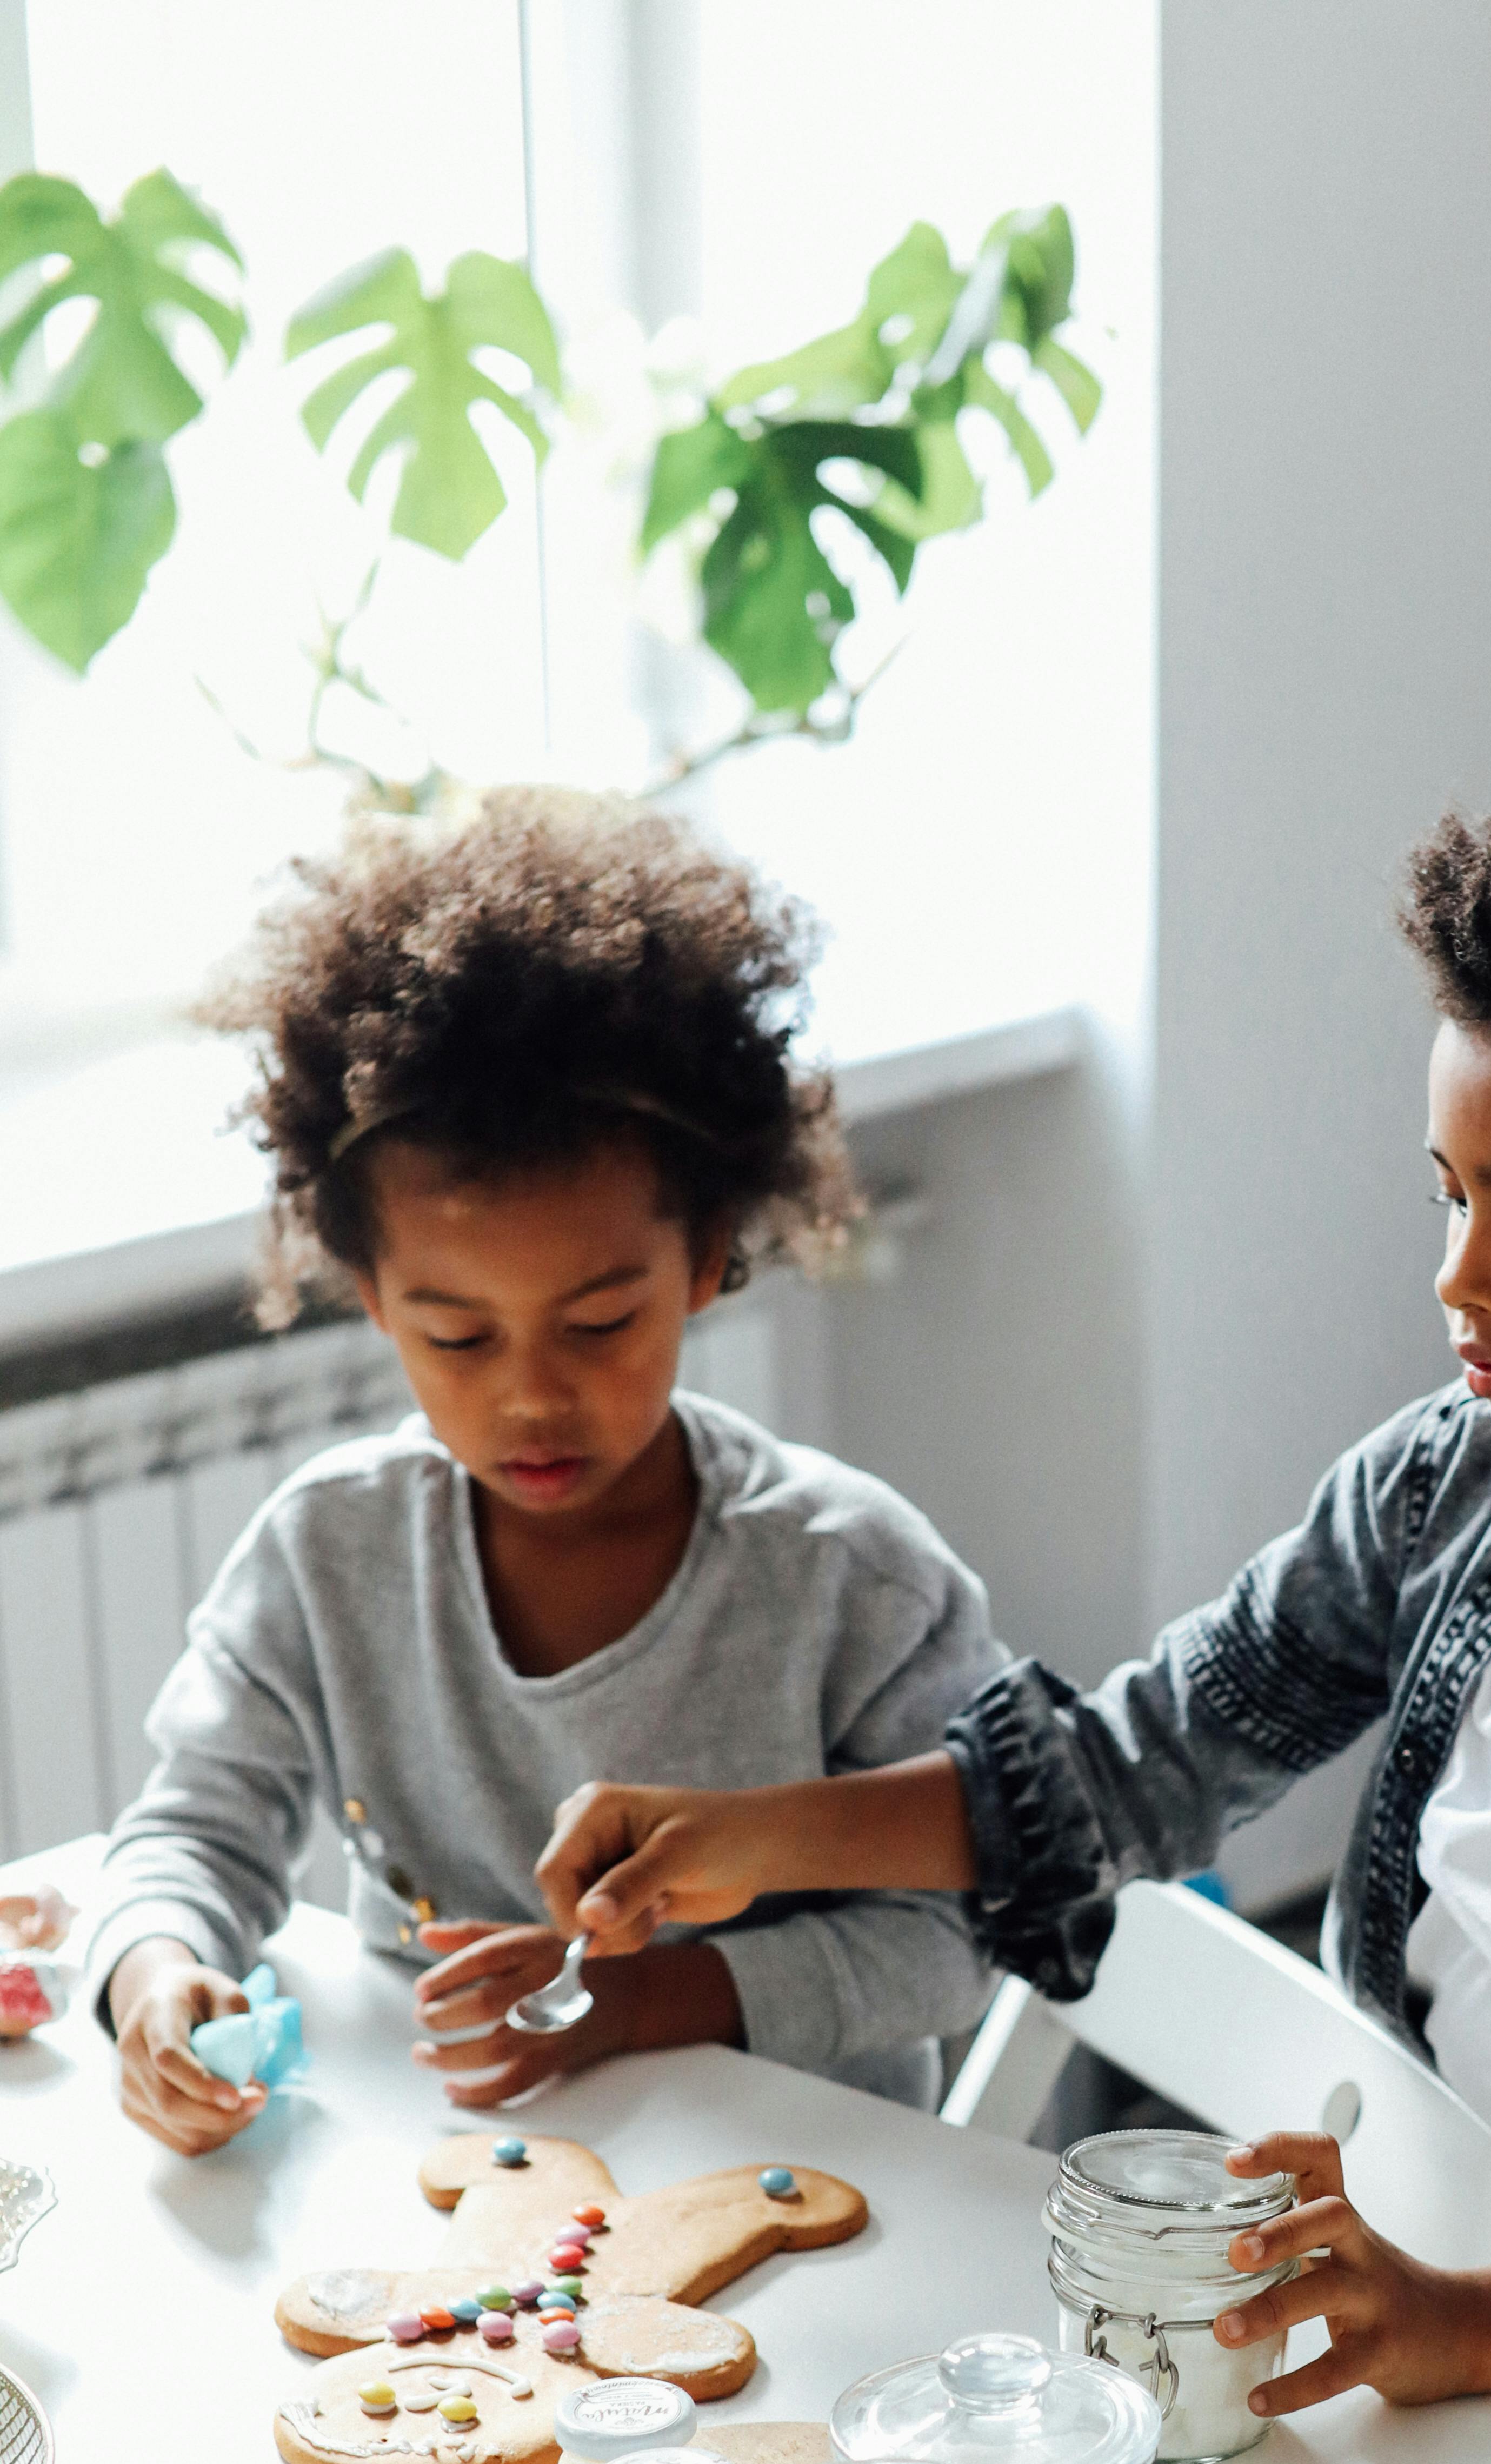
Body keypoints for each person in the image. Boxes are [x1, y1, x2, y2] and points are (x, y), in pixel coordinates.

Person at [533, 731, 1491, 2413]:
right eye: (1450, 1201)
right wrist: (761, 1837)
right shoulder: (1454, 1481)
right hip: (1401, 2298)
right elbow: (1144, 1764)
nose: (1459, 1282)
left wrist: (1470, 2326)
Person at [92, 789, 1004, 2156]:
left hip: (810, 2213)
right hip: (459, 2205)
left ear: (705, 1259)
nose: (530, 1393)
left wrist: (654, 1999)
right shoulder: (329, 1553)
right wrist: (154, 1977)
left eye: (598, 1324)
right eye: (456, 1334)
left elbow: (970, 1932)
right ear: (371, 1296)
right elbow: (191, 1830)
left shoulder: (848, 1580)